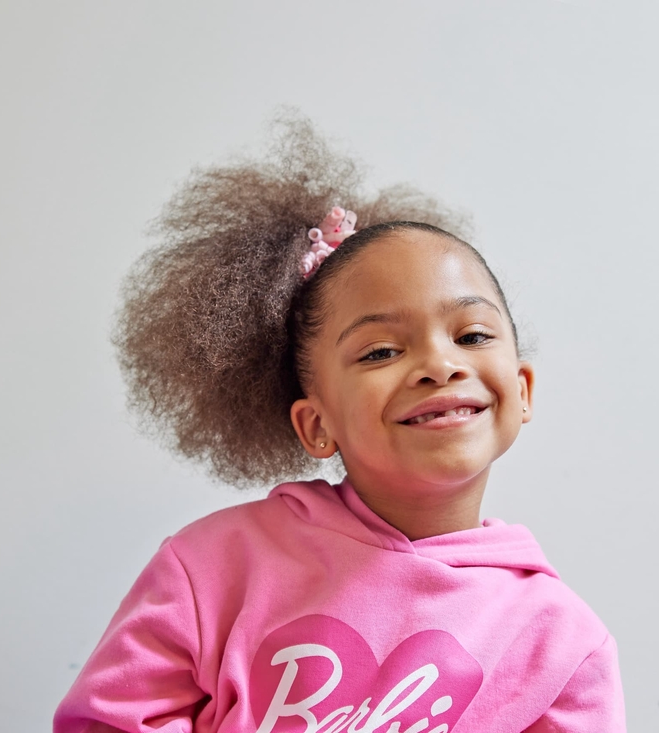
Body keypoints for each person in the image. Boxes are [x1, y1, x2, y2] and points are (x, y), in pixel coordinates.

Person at [53, 117, 626, 732]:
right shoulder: (213, 567)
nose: (439, 364)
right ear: (316, 423)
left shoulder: (561, 642)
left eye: (472, 334)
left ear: (522, 388)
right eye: (381, 351)